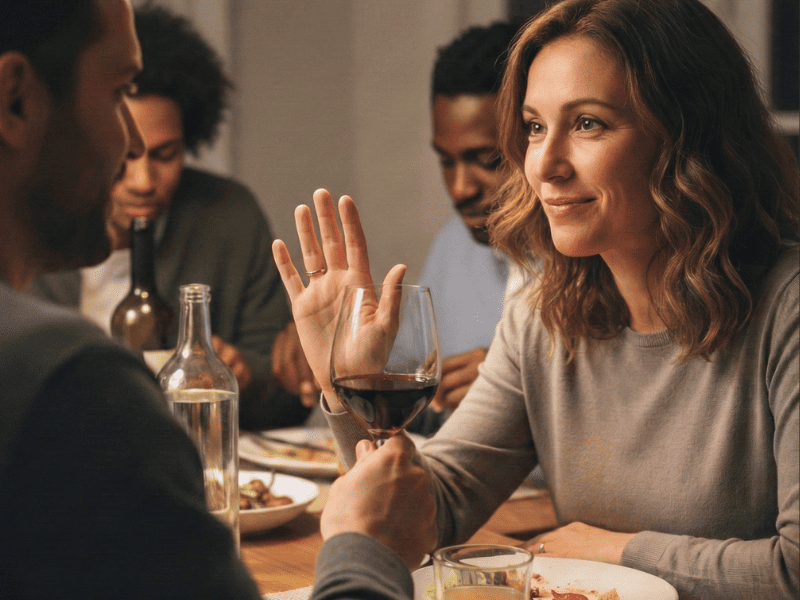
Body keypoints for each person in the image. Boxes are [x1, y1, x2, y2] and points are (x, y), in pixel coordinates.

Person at [271, 0, 799, 597]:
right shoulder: (545, 313)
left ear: (686, 137)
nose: (542, 165)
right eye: (534, 126)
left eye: (588, 124)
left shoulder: (788, 310)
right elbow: (429, 516)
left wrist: (617, 552)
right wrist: (349, 388)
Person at [0, 1, 434, 598]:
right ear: (15, 99)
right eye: (116, 92)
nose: (133, 154)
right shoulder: (68, 380)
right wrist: (367, 549)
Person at [25, 4, 318, 429]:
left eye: (166, 155)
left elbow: (286, 391)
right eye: (125, 156)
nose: (144, 181)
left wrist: (243, 375)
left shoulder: (228, 217)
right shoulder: (34, 227)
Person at [409, 21, 521, 436]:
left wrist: (517, 387)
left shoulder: (601, 259)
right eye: (446, 161)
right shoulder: (454, 243)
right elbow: (417, 412)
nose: (459, 189)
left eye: (488, 160)